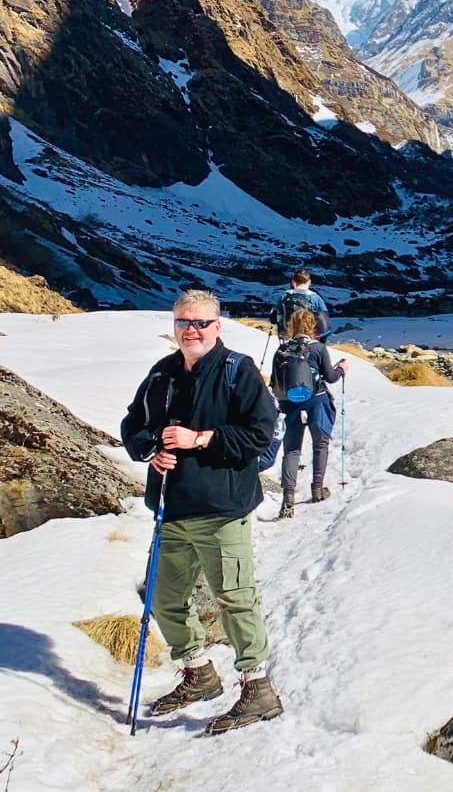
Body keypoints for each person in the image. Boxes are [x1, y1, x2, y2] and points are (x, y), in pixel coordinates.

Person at [120, 289, 284, 735]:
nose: (190, 330)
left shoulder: (238, 371)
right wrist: (150, 450)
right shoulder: (162, 374)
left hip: (222, 507)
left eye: (199, 323)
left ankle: (258, 689)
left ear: (217, 327)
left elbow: (260, 435)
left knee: (235, 597)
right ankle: (198, 672)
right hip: (171, 506)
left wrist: (202, 439)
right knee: (164, 597)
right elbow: (133, 425)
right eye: (182, 323)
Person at [273, 308, 347, 518]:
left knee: (292, 449)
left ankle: (288, 497)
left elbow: (276, 383)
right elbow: (331, 376)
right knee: (320, 443)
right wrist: (342, 369)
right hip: (317, 400)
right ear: (313, 326)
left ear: (291, 326)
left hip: (291, 404)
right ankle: (317, 488)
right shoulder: (318, 348)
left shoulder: (282, 350)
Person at [270, 268, 330, 342]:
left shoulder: (284, 296)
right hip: (309, 338)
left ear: (293, 282)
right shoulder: (315, 298)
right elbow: (324, 323)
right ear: (309, 282)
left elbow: (273, 318)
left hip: (287, 337)